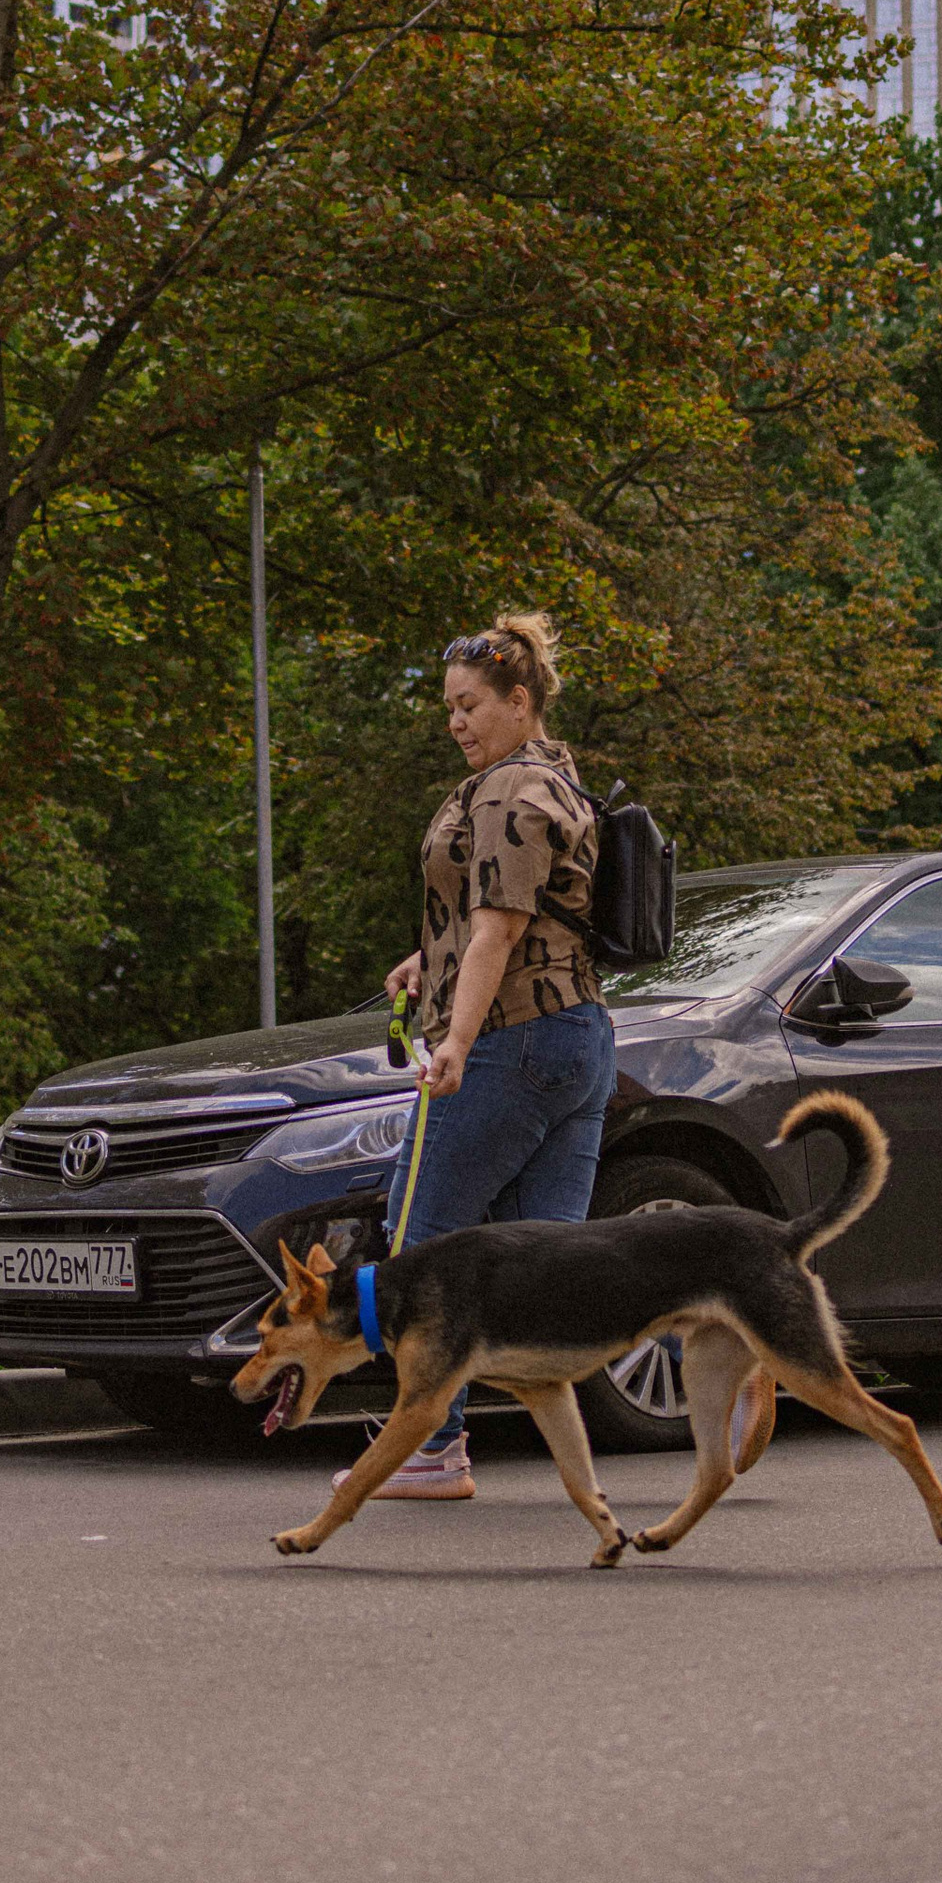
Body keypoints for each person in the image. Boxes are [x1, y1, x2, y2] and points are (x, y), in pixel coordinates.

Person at [338, 610, 616, 1502]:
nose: (455, 722)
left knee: (424, 1239)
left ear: (518, 701)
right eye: (448, 709)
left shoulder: (503, 791)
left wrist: (454, 1039)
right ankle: (713, 1356)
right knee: (550, 1269)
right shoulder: (558, 780)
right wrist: (431, 960)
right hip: (578, 1039)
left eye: (469, 706)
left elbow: (499, 927)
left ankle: (433, 1445)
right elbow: (528, 912)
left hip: (509, 1041)